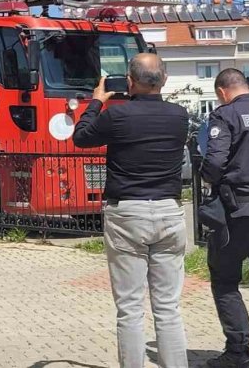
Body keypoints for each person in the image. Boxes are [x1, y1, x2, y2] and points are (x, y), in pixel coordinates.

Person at [73, 53, 189, 368]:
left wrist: (96, 102)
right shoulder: (180, 116)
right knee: (168, 308)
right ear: (164, 79)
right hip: (168, 211)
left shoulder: (117, 116)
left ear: (129, 81)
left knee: (130, 308)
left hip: (127, 213)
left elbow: (81, 138)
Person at [200, 68, 249, 368]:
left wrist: (208, 178)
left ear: (222, 91)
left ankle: (239, 352)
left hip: (238, 213)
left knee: (225, 281)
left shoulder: (225, 115)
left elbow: (215, 161)